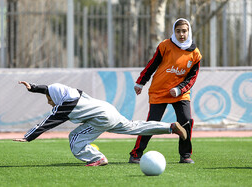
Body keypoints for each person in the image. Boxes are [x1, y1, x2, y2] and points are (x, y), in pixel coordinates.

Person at [14, 81, 187, 166]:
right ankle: (169, 127)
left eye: (48, 98)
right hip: (108, 110)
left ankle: (97, 158)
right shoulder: (72, 93)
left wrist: (29, 137)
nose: (48, 101)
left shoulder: (65, 106)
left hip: (101, 118)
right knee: (135, 127)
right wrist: (34, 88)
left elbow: (47, 123)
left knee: (74, 138)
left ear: (56, 97)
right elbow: (52, 89)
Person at [128, 18, 202, 164]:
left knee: (186, 121)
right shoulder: (165, 46)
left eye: (184, 31)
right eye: (178, 31)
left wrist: (179, 89)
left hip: (180, 94)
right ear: (174, 32)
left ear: (189, 32)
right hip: (159, 91)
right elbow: (152, 65)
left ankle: (185, 155)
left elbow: (192, 78)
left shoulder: (195, 54)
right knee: (152, 123)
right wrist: (140, 83)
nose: (181, 34)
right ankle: (136, 154)